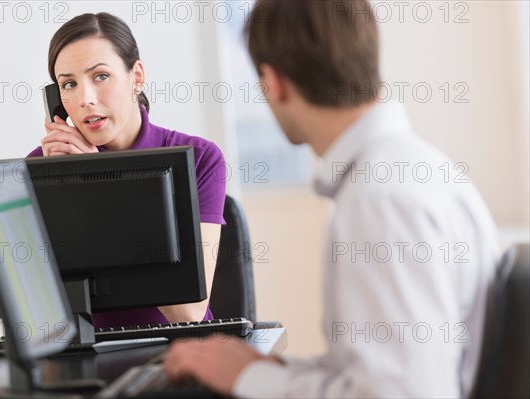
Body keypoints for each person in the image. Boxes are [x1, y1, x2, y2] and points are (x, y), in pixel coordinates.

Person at [164, 1, 500, 397]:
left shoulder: (379, 199)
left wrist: (248, 379)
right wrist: (266, 368)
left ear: (274, 82)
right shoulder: (410, 169)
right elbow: (373, 374)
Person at [27, 12, 226, 328]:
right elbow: (36, 316)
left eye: (101, 76)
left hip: (181, 353)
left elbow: (188, 313)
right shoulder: (40, 166)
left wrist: (99, 184)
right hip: (85, 361)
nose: (85, 99)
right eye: (69, 84)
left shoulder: (200, 159)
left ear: (136, 77)